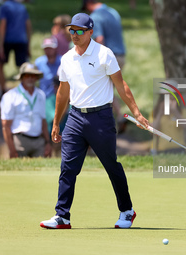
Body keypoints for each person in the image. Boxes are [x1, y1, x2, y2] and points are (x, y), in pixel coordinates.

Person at [40, 13, 149, 229]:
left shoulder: (104, 54)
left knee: (111, 166)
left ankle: (127, 211)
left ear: (90, 32)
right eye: (72, 30)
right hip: (75, 118)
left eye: (80, 31)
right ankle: (62, 216)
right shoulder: (67, 58)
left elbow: (121, 85)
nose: (75, 35)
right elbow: (63, 92)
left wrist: (136, 112)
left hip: (101, 117)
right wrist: (55, 122)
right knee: (68, 167)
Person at [82, 0, 128, 133]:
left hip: (109, 56)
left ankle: (109, 121)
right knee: (107, 87)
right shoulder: (113, 12)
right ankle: (118, 117)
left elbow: (100, 39)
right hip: (121, 55)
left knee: (102, 89)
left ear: (89, 4)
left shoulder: (96, 17)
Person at [0, 62, 52, 158]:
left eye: (33, 75)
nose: (30, 78)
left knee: (40, 170)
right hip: (20, 140)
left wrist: (47, 142)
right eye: (27, 75)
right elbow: (6, 125)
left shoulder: (41, 95)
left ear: (36, 77)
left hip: (38, 140)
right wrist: (11, 149)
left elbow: (43, 121)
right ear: (22, 77)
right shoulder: (10, 96)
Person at [0, 0, 31, 95]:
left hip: (7, 40)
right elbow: (28, 25)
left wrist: (0, 45)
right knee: (23, 67)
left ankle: (2, 91)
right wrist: (28, 44)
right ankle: (25, 92)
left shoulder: (4, 7)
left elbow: (3, 25)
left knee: (0, 65)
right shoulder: (22, 7)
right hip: (21, 40)